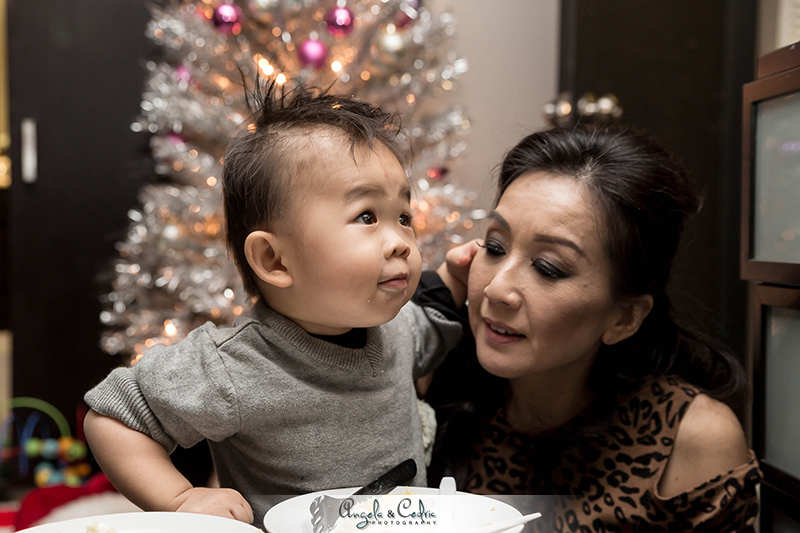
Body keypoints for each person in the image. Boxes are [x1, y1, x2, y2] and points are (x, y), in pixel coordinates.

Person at [82, 81, 465, 524]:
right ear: (274, 260)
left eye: (403, 217)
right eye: (366, 216)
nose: (401, 241)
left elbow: (437, 312)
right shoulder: (233, 367)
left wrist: (460, 274)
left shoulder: (399, 330)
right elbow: (113, 417)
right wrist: (180, 499)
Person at [426, 124, 762, 532]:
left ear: (625, 318)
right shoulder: (434, 381)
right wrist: (431, 298)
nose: (496, 289)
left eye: (548, 268)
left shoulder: (688, 441)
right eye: (495, 247)